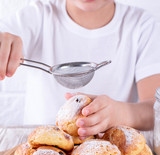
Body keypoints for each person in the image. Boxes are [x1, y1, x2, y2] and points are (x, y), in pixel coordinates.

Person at [0, 0, 160, 140]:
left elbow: (154, 109)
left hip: (110, 147)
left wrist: (119, 113)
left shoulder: (141, 25)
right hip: (39, 149)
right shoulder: (37, 15)